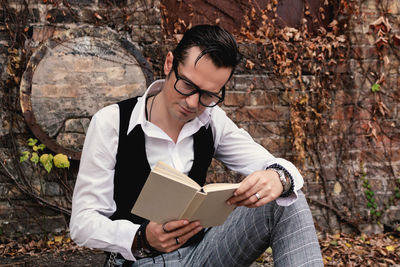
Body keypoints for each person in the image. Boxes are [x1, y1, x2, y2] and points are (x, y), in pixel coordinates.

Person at [70, 24, 323, 266]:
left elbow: (272, 164)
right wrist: (140, 236)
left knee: (286, 196)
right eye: (188, 85)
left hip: (204, 254)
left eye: (208, 95)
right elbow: (82, 223)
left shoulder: (211, 121)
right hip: (141, 260)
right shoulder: (112, 122)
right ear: (169, 64)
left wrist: (277, 177)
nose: (193, 103)